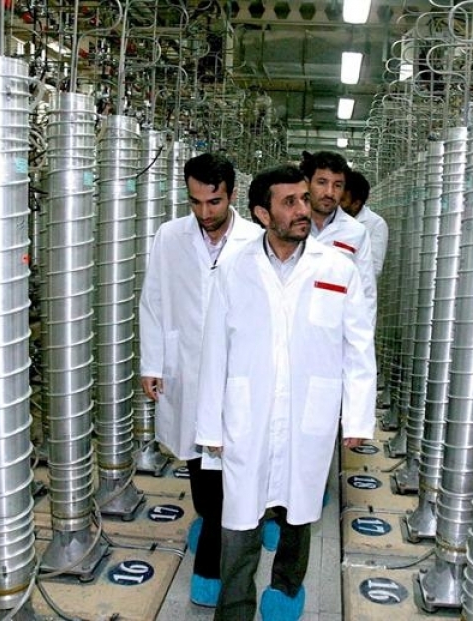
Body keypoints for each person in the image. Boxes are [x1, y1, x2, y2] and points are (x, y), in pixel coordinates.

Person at [195, 164, 377, 621]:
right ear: (262, 213)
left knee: (300, 511)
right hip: (246, 411)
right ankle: (234, 609)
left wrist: (357, 416)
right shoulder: (234, 268)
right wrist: (209, 425)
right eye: (290, 202)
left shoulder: (336, 267)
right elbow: (215, 348)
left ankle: (286, 590)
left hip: (308, 411)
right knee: (240, 520)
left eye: (303, 198)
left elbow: (358, 345)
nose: (304, 209)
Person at [139, 152, 261, 607]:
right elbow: (153, 299)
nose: (204, 213)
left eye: (214, 202)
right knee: (198, 463)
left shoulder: (254, 238)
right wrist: (152, 362)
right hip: (186, 368)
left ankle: (211, 564)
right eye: (195, 203)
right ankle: (213, 525)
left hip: (237, 374)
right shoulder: (170, 236)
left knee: (229, 471)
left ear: (232, 195)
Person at [299, 150, 376, 315]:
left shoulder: (356, 232)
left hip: (335, 327)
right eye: (321, 182)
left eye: (337, 185)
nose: (329, 192)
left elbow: (366, 293)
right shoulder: (290, 224)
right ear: (307, 184)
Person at [340, 169, 388, 278]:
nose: (337, 203)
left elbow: (374, 268)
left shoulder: (376, 224)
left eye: (342, 200)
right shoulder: (331, 217)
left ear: (356, 203)